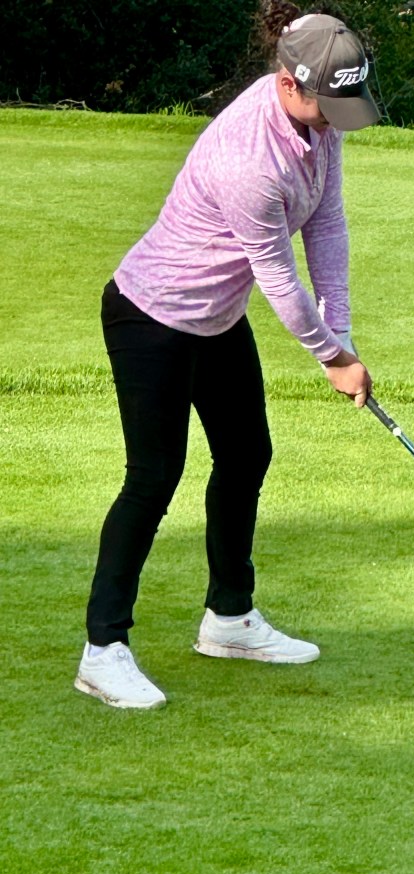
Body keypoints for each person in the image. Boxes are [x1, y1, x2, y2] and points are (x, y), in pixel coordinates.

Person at [74, 3, 379, 709]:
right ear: (288, 84)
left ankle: (229, 618)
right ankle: (102, 650)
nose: (336, 121)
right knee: (154, 477)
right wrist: (331, 358)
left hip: (214, 320)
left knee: (246, 455)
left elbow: (327, 224)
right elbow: (278, 277)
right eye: (328, 106)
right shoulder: (252, 158)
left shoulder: (319, 122)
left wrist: (343, 334)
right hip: (152, 316)